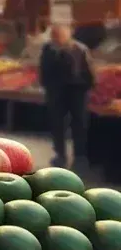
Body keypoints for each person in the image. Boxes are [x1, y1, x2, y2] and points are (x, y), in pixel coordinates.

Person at [39, 22, 94, 167]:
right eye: (54, 35)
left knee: (79, 123)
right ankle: (60, 154)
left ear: (68, 35)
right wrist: (46, 86)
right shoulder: (48, 49)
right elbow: (43, 70)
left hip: (77, 91)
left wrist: (87, 88)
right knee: (57, 123)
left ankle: (80, 156)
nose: (57, 38)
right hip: (56, 91)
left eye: (60, 35)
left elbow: (89, 72)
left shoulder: (80, 49)